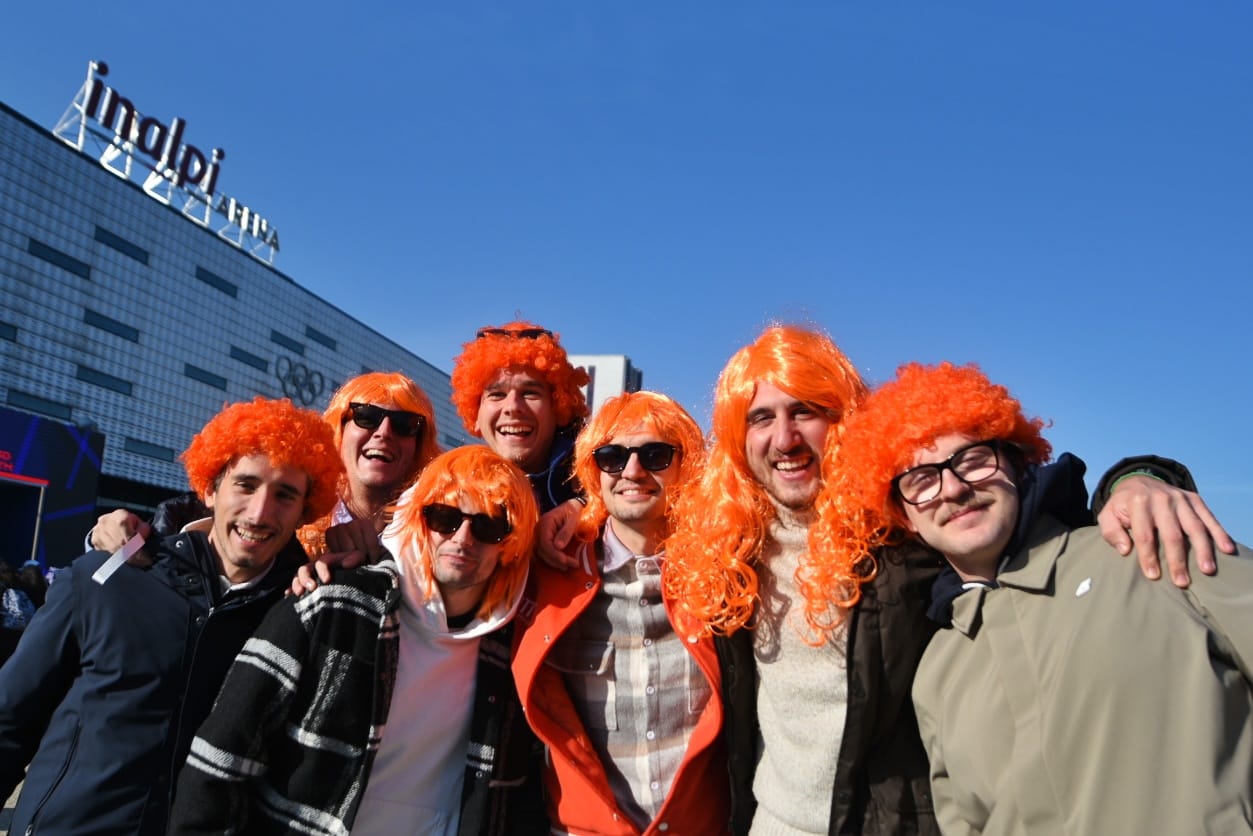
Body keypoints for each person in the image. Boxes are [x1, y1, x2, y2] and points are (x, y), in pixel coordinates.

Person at [662, 324, 1235, 835]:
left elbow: (1034, 514)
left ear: (842, 420)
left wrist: (1136, 478)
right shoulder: (728, 551)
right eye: (761, 417)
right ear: (739, 437)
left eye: (805, 411)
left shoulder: (906, 530)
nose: (784, 439)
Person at [812, 362, 1253, 834]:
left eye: (974, 459)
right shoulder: (936, 672)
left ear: (1018, 461)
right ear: (904, 517)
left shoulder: (1154, 547)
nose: (954, 488)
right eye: (920, 480)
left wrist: (1139, 477)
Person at [0, 397, 341, 836]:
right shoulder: (104, 579)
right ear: (210, 490)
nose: (260, 512)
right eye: (246, 485)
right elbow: (10, 718)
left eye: (284, 495)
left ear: (303, 511)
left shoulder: (296, 617)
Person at [170, 445, 548, 836]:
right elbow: (222, 756)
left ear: (510, 543)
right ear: (419, 519)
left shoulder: (513, 653)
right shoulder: (331, 604)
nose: (463, 538)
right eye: (445, 518)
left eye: (488, 527)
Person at [513, 391, 730, 834]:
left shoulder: (726, 573)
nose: (632, 471)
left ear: (685, 465)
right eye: (612, 457)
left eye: (655, 454)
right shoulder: (548, 572)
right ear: (594, 471)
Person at [89, 371, 440, 561]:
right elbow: (149, 551)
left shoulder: (440, 527)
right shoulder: (278, 497)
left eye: (405, 425)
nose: (384, 433)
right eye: (366, 417)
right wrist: (101, 541)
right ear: (339, 429)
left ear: (419, 443)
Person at [450, 321, 590, 513]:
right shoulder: (447, 494)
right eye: (497, 394)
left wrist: (587, 508)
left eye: (530, 393)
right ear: (476, 413)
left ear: (558, 408)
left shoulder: (603, 484)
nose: (513, 407)